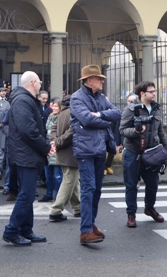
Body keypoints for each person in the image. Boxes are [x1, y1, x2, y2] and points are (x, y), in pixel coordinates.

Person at [3, 71, 55, 246]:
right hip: (25, 154)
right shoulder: (23, 101)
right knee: (27, 194)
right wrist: (46, 147)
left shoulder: (23, 100)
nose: (41, 85)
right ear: (33, 82)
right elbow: (29, 130)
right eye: (39, 82)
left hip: (25, 153)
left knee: (28, 192)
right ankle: (11, 230)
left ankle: (26, 230)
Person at [71, 65, 121, 245]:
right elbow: (86, 119)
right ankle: (85, 231)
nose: (102, 81)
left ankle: (90, 225)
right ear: (89, 80)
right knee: (89, 188)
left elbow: (117, 113)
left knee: (97, 189)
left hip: (100, 149)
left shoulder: (100, 97)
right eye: (99, 78)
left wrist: (99, 114)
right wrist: (106, 121)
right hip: (85, 150)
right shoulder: (77, 98)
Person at [120, 81, 167, 229]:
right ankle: (131, 214)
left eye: (154, 91)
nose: (154, 94)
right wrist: (135, 131)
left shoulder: (156, 109)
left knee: (153, 183)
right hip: (133, 152)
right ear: (142, 93)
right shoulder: (131, 109)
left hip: (152, 152)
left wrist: (166, 148)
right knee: (131, 185)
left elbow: (160, 131)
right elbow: (122, 130)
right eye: (151, 91)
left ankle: (150, 208)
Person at [48, 94, 81, 222]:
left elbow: (53, 128)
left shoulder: (61, 114)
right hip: (71, 152)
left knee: (73, 180)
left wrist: (54, 141)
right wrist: (59, 141)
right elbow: (72, 132)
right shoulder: (74, 113)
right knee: (69, 181)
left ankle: (78, 208)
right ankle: (56, 210)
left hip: (62, 153)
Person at [39, 98, 62, 202]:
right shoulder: (50, 116)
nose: (54, 108)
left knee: (57, 175)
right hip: (48, 148)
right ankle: (48, 194)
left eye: (56, 106)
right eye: (53, 106)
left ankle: (57, 196)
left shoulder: (62, 118)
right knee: (48, 175)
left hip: (57, 149)